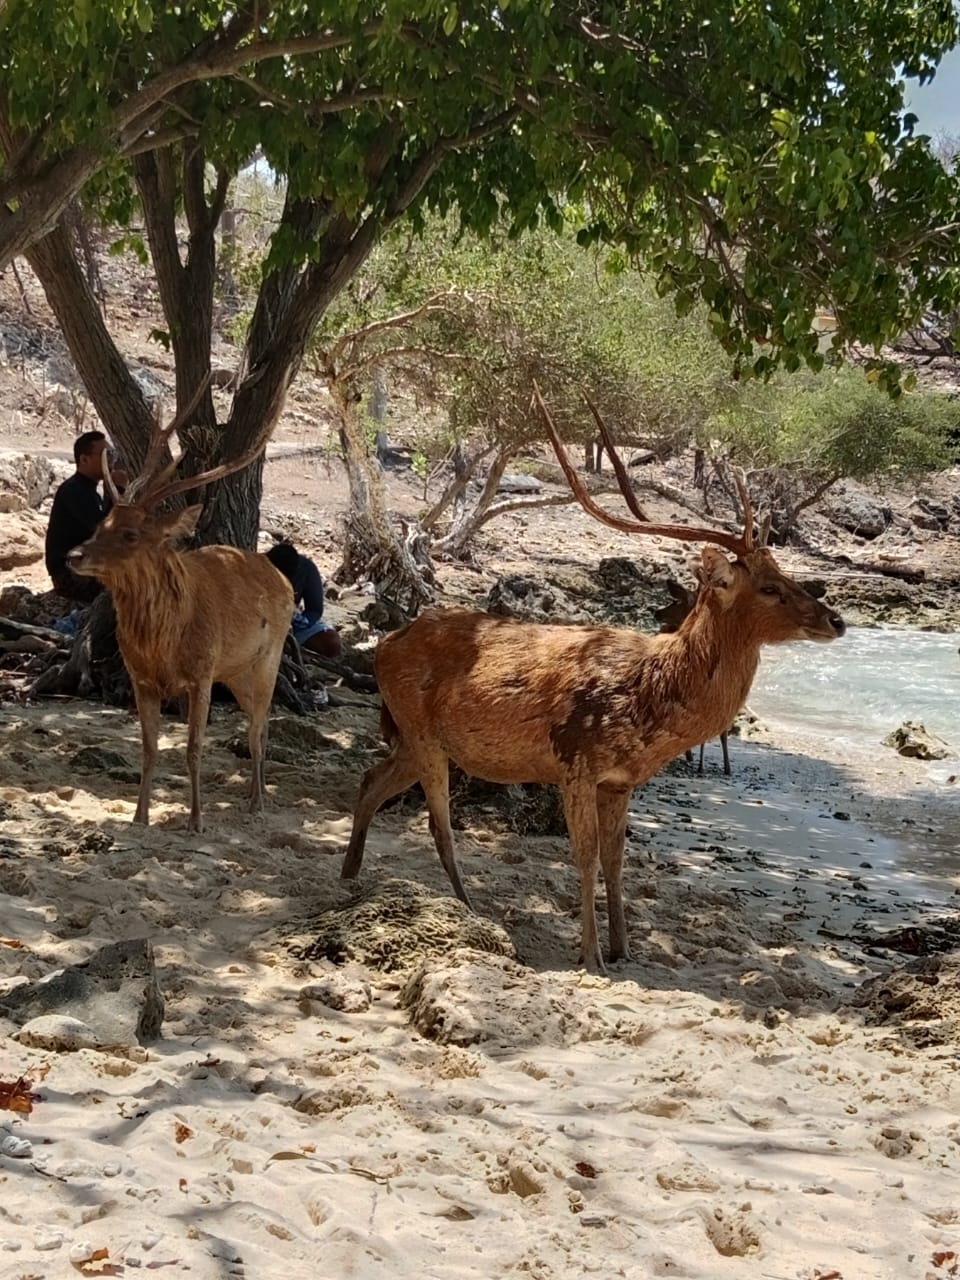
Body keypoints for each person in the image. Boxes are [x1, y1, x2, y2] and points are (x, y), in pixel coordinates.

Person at [44, 430, 123, 604]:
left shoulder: (90, 491)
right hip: (69, 572)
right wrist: (116, 490)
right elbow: (101, 530)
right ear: (84, 459)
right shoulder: (72, 490)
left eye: (111, 454)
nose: (111, 460)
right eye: (105, 455)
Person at [265, 540, 343, 659]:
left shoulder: (307, 569)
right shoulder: (259, 568)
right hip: (260, 622)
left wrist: (299, 621)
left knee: (332, 643)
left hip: (291, 622)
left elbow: (315, 610)